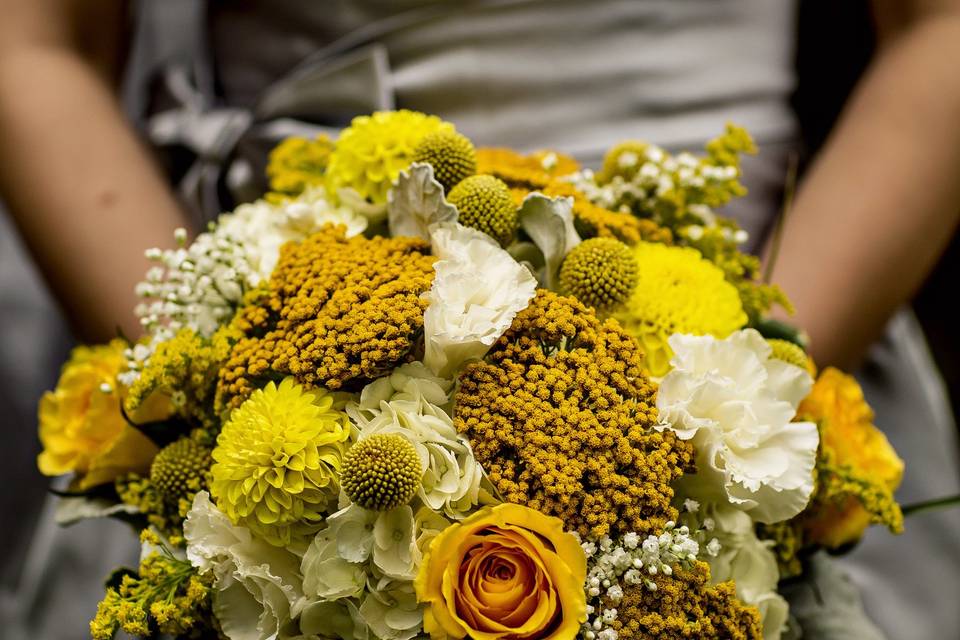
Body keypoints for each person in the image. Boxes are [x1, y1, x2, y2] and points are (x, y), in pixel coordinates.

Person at [1, 1, 959, 638]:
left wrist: (731, 420)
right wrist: (208, 385)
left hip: (767, 298)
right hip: (288, 329)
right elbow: (36, 45)